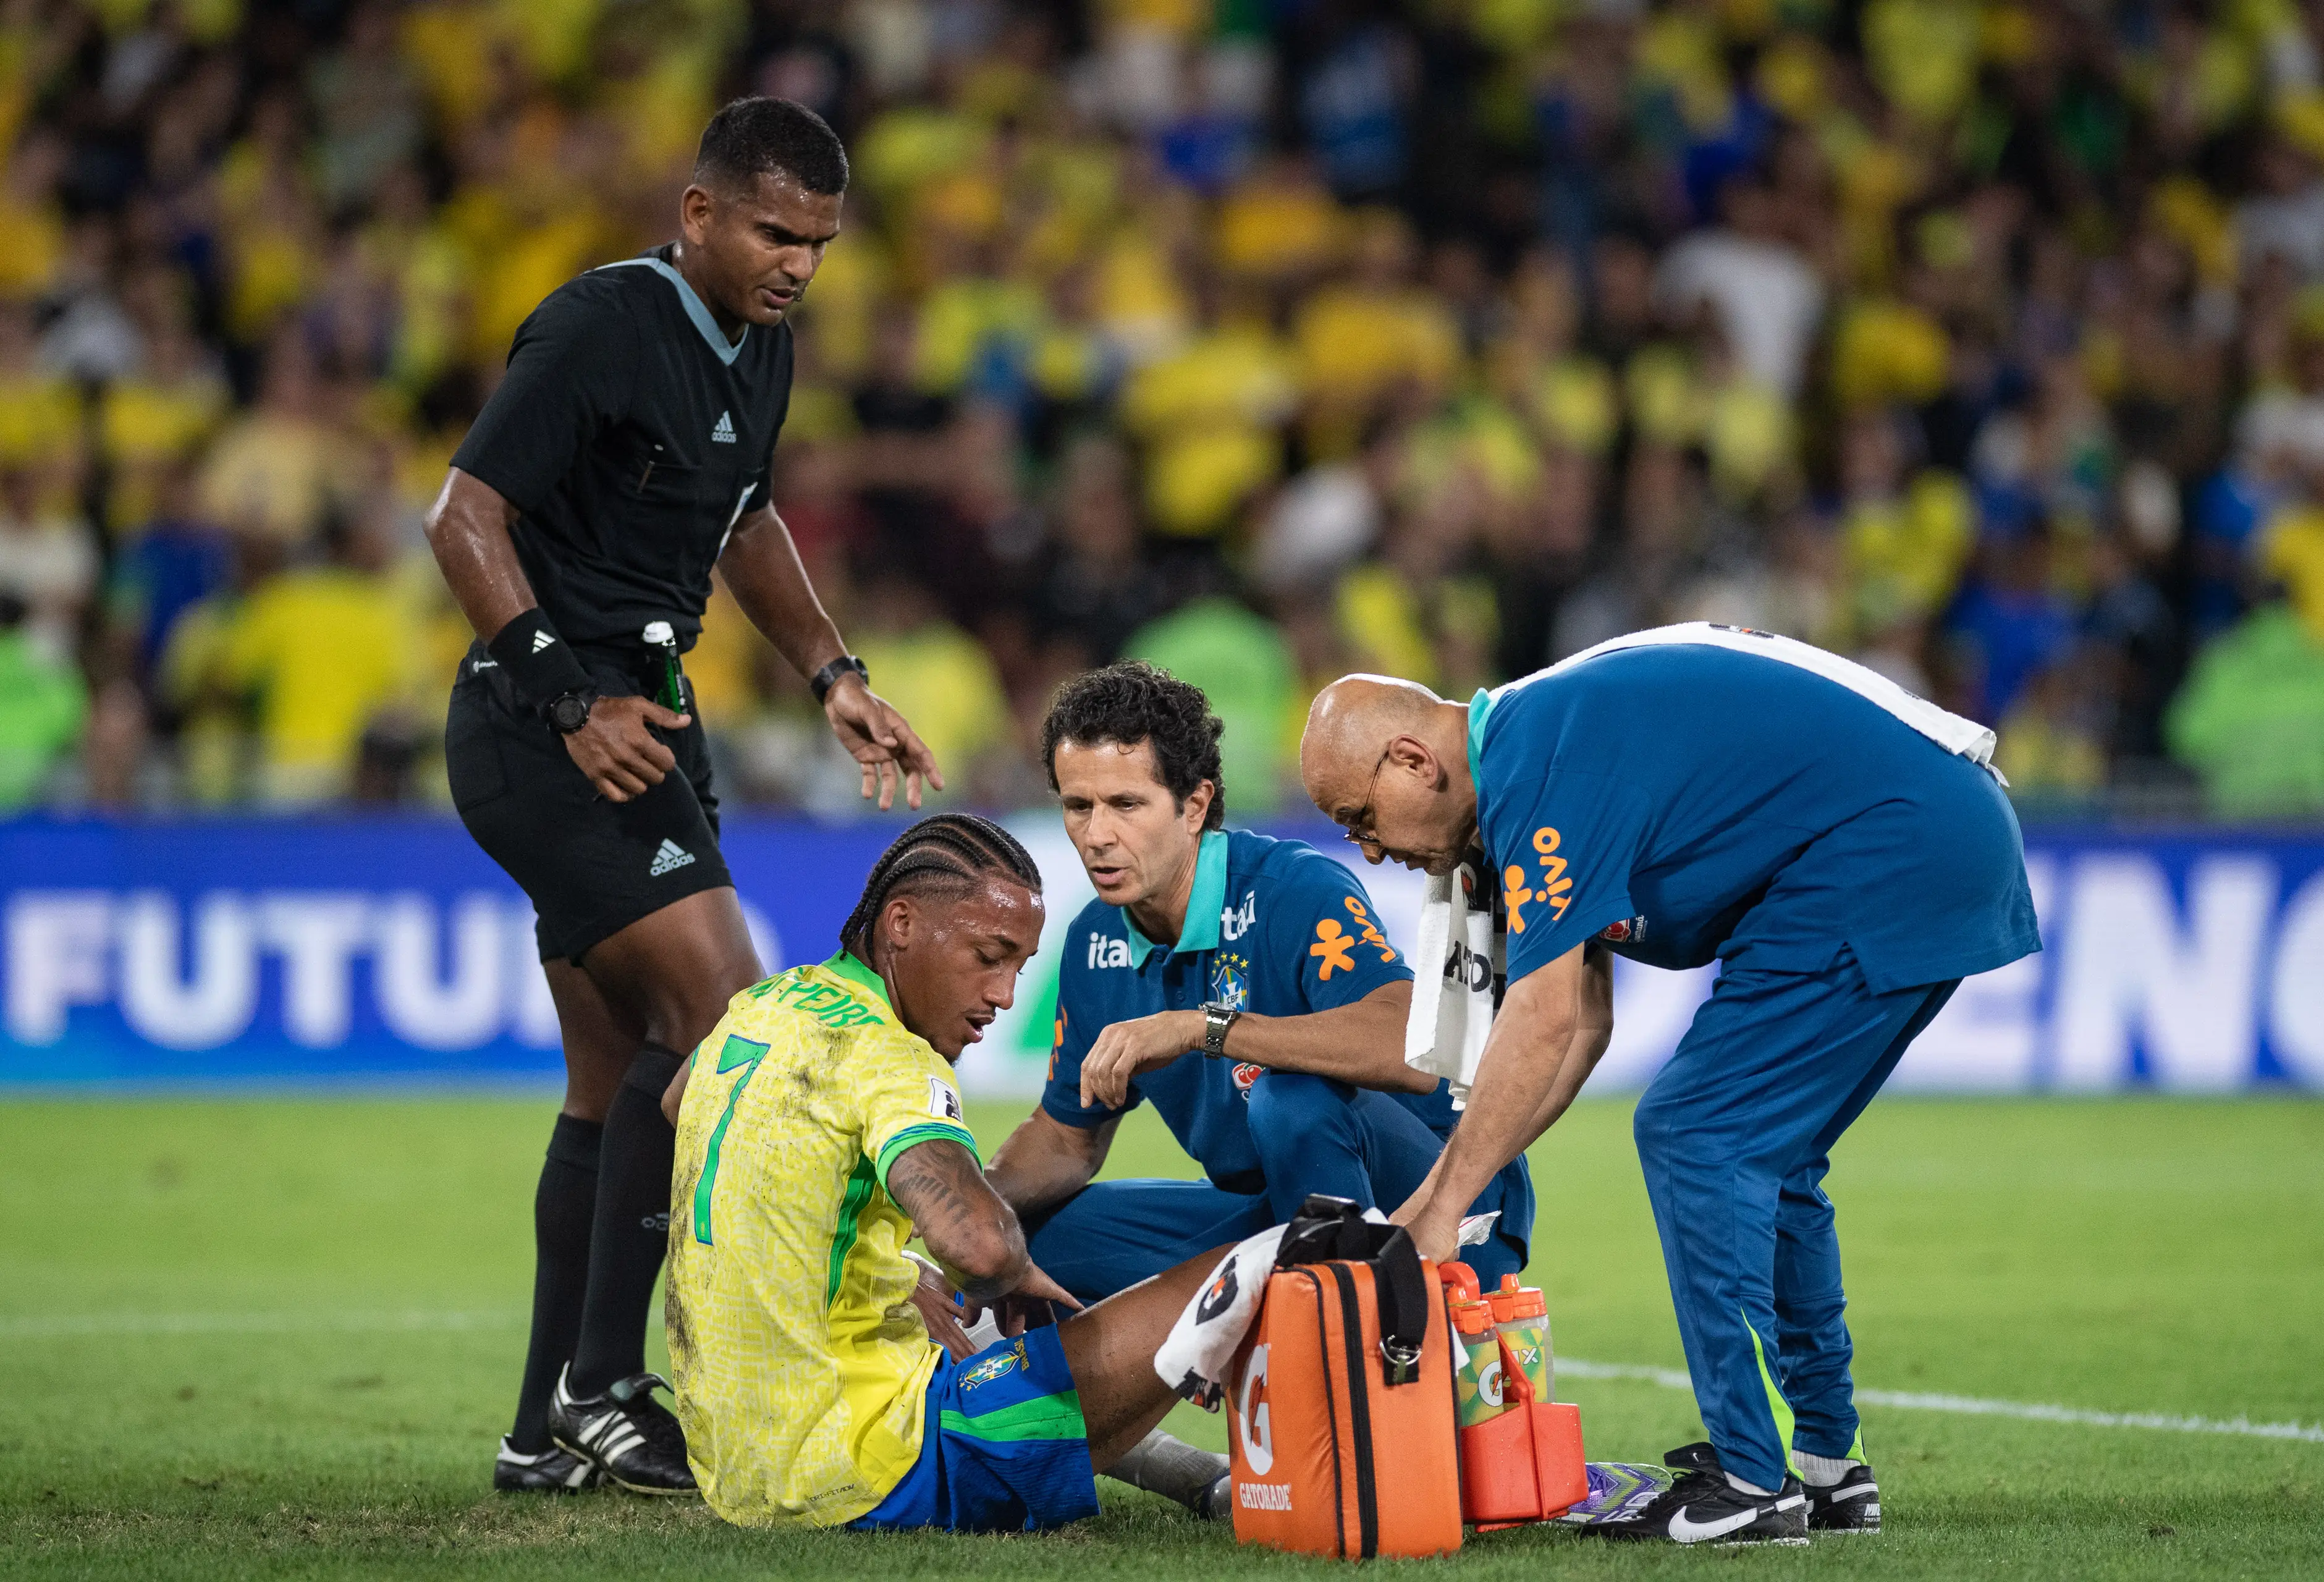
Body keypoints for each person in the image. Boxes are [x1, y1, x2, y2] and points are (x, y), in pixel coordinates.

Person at [425, 97, 942, 1496]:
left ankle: (542, 1429)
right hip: (553, 725)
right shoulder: (601, 323)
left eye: (821, 242)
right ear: (701, 210)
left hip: (650, 715)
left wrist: (831, 668)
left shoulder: (761, 347)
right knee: (717, 1014)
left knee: (610, 1076)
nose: (798, 264)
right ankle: (609, 1386)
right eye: (777, 231)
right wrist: (563, 694)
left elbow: (744, 519)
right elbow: (461, 514)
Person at [1299, 625, 2039, 1546]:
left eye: (1360, 820)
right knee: (1771, 1157)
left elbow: (1545, 1017)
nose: (1370, 853)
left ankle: (1750, 1483)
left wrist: (1442, 1204)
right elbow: (1583, 1028)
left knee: (1695, 1131)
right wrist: (1458, 1189)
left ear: (1413, 761)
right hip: (1922, 837)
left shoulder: (1536, 763)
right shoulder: (1528, 765)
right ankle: (1824, 1469)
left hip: (1896, 849)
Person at [660, 813, 1231, 1530]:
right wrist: (1007, 1272)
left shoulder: (764, 1004)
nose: (1004, 994)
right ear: (900, 922)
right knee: (1237, 1260)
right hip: (864, 1469)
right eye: (988, 955)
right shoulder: (890, 1056)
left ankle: (1203, 1479)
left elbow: (681, 1099)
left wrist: (891, 1268)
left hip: (737, 1467)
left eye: (1019, 968)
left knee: (961, 1330)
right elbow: (979, 1247)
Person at [986, 661, 1532, 1304]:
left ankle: (1350, 1334)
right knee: (1024, 1240)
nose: (1097, 834)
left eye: (1126, 804)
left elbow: (1409, 1049)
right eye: (1078, 806)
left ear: (1195, 806)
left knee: (1289, 1098)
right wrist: (963, 1204)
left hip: (1443, 1199)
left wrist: (1202, 1028)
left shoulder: (1291, 889)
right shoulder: (1093, 943)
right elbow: (1066, 1139)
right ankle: (1288, 1311)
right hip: (1281, 1213)